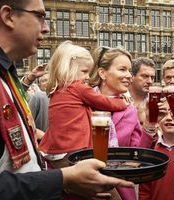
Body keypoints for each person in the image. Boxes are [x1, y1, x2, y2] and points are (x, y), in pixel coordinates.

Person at [0, 1, 134, 200]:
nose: (46, 27)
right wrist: (62, 180)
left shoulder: (1, 70)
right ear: (8, 16)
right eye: (40, 16)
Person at [39, 40, 128, 169]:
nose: (88, 77)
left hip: (54, 151)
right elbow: (103, 102)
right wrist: (122, 103)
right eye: (85, 71)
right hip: (73, 150)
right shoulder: (77, 87)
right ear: (70, 69)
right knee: (94, 184)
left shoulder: (57, 89)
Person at [89, 47, 158, 200]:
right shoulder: (83, 103)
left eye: (129, 71)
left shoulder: (129, 110)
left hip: (119, 191)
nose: (129, 76)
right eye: (122, 69)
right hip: (84, 189)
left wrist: (150, 124)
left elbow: (136, 155)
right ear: (102, 73)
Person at [139, 105, 174, 200]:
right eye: (164, 114)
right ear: (157, 122)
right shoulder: (152, 151)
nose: (169, 118)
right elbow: (144, 189)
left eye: (173, 114)